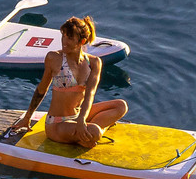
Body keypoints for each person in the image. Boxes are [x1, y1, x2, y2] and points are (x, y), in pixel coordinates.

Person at [9, 15, 126, 149]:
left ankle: (84, 131)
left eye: (70, 38)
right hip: (57, 124)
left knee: (121, 106)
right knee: (95, 132)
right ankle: (94, 130)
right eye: (63, 36)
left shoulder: (94, 63)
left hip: (78, 115)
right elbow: (41, 89)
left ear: (82, 41)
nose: (64, 41)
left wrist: (81, 119)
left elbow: (90, 95)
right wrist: (27, 117)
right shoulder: (54, 58)